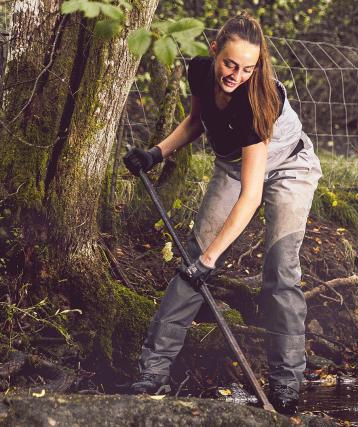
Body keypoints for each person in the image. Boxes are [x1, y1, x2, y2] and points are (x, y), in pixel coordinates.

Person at [122, 13, 321, 415]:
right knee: (192, 261)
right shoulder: (199, 71)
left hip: (290, 168)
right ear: (215, 52)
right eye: (231, 64)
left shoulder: (257, 100)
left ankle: (285, 383)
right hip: (235, 164)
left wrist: (214, 259)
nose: (237, 75)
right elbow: (197, 121)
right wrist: (156, 152)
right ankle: (152, 374)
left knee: (280, 271)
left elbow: (251, 197)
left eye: (248, 68)